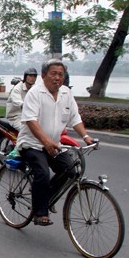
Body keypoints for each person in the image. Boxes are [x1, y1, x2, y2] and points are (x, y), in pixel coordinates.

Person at [17, 59, 95, 226]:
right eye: (53, 74)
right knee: (43, 173)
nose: (57, 78)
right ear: (44, 75)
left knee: (71, 170)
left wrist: (86, 137)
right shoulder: (35, 93)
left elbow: (75, 118)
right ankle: (40, 213)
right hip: (32, 144)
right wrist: (46, 142)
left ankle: (44, 196)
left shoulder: (66, 93)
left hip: (54, 145)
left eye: (61, 74)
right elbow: (31, 121)